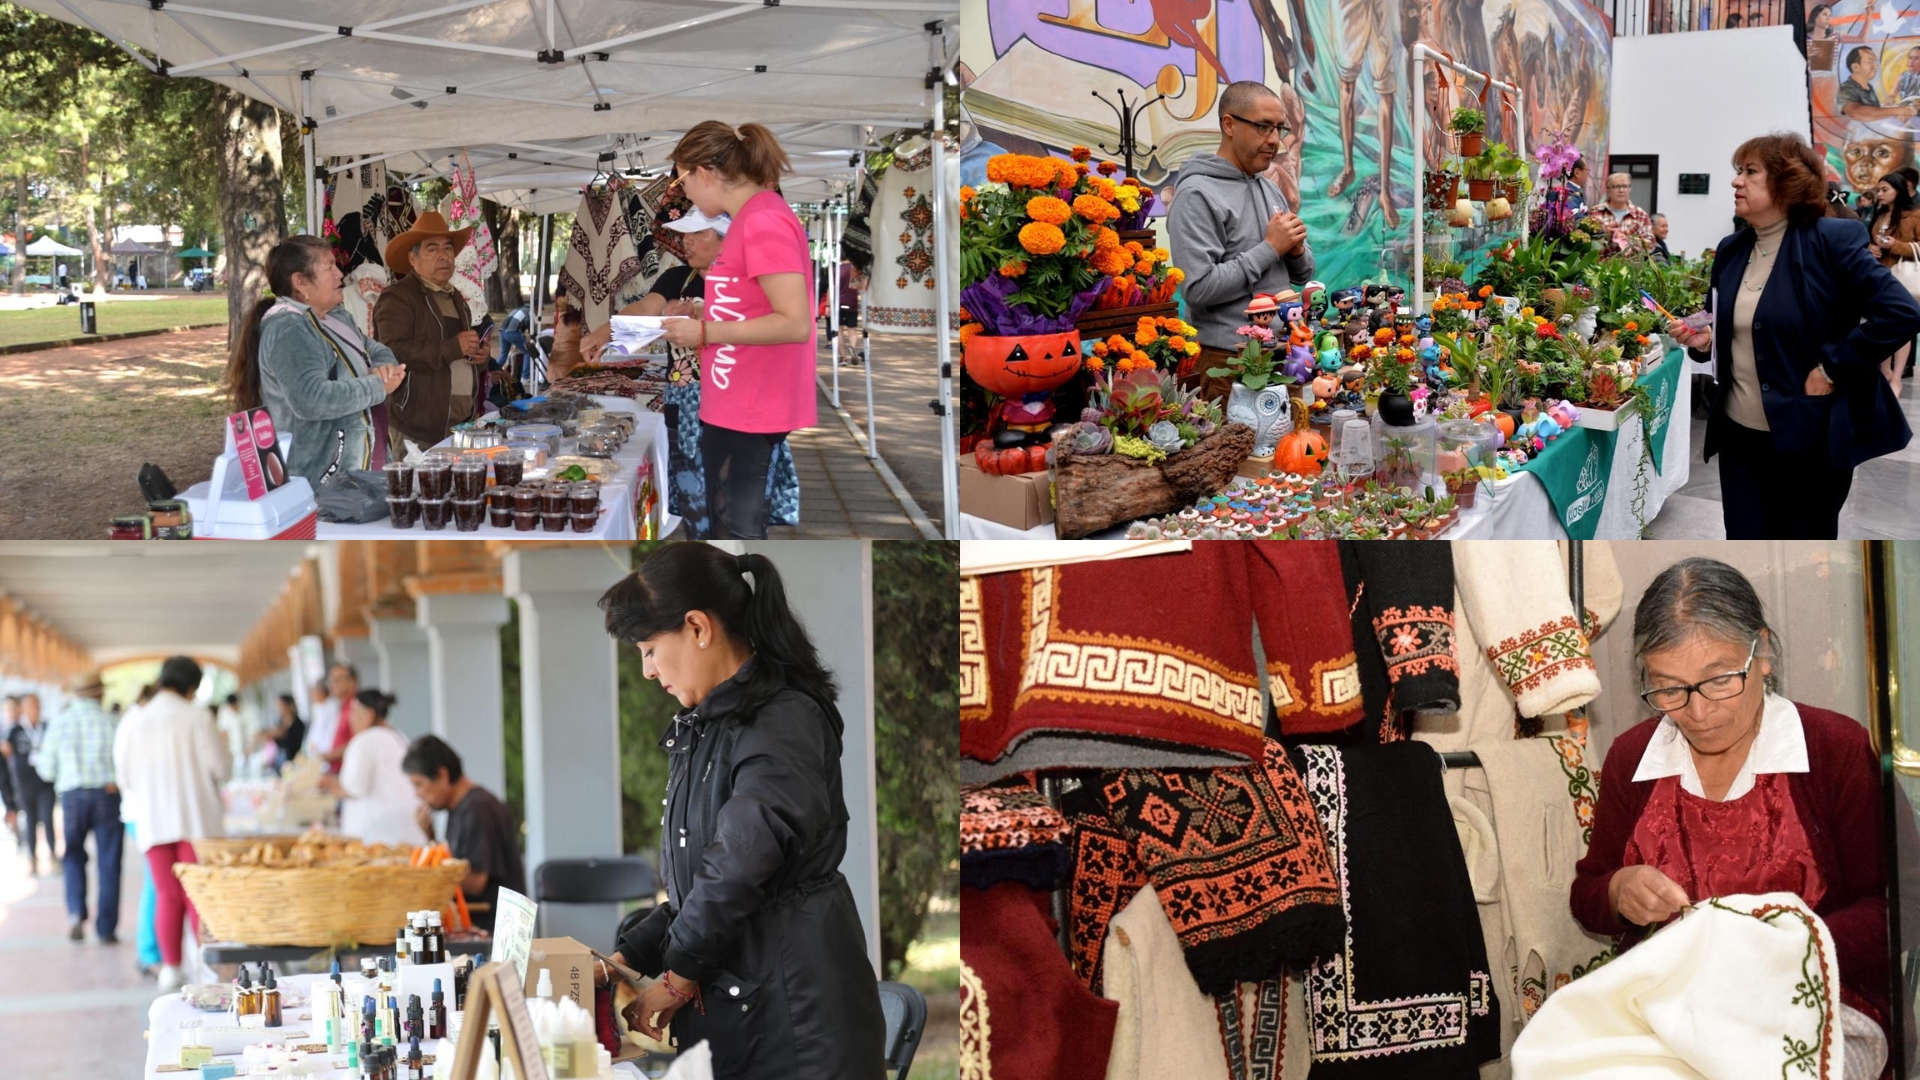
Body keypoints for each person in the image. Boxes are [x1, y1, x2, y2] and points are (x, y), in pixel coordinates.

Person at [1571, 558, 1889, 1076]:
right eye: (1669, 689)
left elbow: (1891, 907)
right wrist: (1618, 890)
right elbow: (1588, 895)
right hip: (1671, 1009)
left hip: (1817, 1005)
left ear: (1761, 653)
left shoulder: (1834, 748)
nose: (1698, 712)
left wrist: (1786, 953)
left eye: (1719, 680)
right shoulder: (1633, 759)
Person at [594, 546, 884, 1078]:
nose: (648, 671)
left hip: (796, 1019)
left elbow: (740, 865)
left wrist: (677, 978)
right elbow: (704, 875)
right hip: (746, 1009)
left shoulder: (781, 719)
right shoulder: (710, 723)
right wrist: (629, 956)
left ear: (698, 627)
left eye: (651, 649)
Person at [1665, 133, 1918, 538]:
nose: (1736, 182)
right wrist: (1707, 341)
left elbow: (1901, 313)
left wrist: (1832, 367)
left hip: (1808, 439)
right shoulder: (1731, 250)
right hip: (1740, 439)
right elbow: (1734, 326)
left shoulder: (1831, 240)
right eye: (1738, 172)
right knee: (1745, 543)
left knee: (1803, 547)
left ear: (1786, 182)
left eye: (1750, 172)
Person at [659, 121, 817, 541]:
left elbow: (794, 321)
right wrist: (703, 314)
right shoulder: (752, 217)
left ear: (705, 172)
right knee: (725, 521)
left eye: (682, 178)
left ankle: (748, 602)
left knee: (735, 526)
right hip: (737, 396)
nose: (683, 192)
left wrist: (706, 333)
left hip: (752, 399)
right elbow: (751, 303)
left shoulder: (763, 221)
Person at [583, 208, 730, 538]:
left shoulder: (743, 287)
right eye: (685, 234)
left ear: (726, 240)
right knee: (694, 501)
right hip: (683, 407)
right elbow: (645, 308)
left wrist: (701, 317)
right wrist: (609, 329)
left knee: (729, 500)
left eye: (698, 234)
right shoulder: (677, 279)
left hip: (731, 410)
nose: (686, 242)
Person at [1168, 81, 1315, 404]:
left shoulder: (1268, 188)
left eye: (1280, 128)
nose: (1275, 140)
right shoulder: (1197, 194)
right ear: (1229, 124)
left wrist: (1296, 250)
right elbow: (1197, 288)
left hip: (1283, 350)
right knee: (1240, 454)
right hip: (1230, 362)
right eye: (1263, 126)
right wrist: (1270, 248)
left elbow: (1302, 274)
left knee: (1288, 452)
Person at [224, 235, 407, 489]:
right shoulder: (289, 329)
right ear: (300, 282)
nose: (340, 274)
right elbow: (311, 399)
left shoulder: (336, 318)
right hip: (323, 485)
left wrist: (384, 367)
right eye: (329, 267)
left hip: (357, 475)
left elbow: (376, 350)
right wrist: (377, 386)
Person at [113, 656, 231, 992]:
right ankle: (207, 968)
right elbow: (221, 769)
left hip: (153, 819)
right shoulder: (197, 716)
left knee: (166, 893)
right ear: (191, 687)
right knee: (198, 894)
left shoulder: (136, 719)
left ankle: (170, 969)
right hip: (196, 820)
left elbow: (125, 776)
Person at [373, 210, 488, 460]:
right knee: (419, 494)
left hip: (461, 425)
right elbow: (392, 351)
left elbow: (458, 352)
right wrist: (452, 348)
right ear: (412, 259)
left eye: (448, 248)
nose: (444, 256)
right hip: (418, 427)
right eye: (432, 249)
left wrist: (478, 357)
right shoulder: (398, 297)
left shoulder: (456, 296)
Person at [402, 735, 524, 934]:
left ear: (442, 775)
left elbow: (475, 881)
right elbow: (456, 863)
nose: (417, 793)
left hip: (492, 932)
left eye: (419, 784)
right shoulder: (460, 807)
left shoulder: (477, 808)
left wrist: (423, 870)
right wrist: (430, 837)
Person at [37, 671, 122, 944]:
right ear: (99, 694)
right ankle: (105, 928)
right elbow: (125, 763)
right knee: (108, 862)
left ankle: (76, 914)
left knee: (73, 857)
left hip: (73, 797)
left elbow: (47, 771)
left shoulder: (60, 723)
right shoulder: (112, 722)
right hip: (107, 795)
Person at [318, 690, 426, 847]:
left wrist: (330, 784)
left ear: (369, 714)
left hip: (381, 840)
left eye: (354, 711)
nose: (350, 718)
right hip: (408, 833)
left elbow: (353, 788)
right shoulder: (399, 736)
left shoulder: (364, 740)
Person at [1864, 170, 1920, 394]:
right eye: (1878, 190)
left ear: (1899, 190)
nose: (1880, 194)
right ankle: (1885, 373)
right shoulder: (1880, 216)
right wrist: (1871, 249)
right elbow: (1871, 241)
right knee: (1882, 324)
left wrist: (1894, 245)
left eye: (1885, 190)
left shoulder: (1914, 215)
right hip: (1881, 277)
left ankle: (1896, 378)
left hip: (1902, 279)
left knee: (1901, 326)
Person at [8, 692, 57, 875]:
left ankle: (53, 856)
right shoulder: (15, 730)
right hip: (25, 783)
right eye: (29, 705)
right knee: (30, 820)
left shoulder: (47, 727)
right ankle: (32, 858)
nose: (34, 709)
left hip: (45, 782)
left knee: (47, 819)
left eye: (36, 705)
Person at [1839, 47, 1919, 124]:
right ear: (1855, 67)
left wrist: (1901, 111)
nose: (1876, 66)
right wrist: (1897, 109)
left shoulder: (1868, 88)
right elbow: (1856, 113)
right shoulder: (1846, 89)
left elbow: (1874, 113)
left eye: (1916, 58)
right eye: (1870, 62)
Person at [1589, 172, 1656, 257]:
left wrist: (1629, 240)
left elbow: (1651, 246)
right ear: (1608, 190)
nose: (1621, 190)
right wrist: (1604, 236)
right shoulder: (1595, 212)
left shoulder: (1640, 215)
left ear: (1629, 189)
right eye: (1616, 186)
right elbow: (1585, 242)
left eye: (1625, 186)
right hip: (1600, 267)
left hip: (1632, 268)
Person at [319, 663, 361, 774]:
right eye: (330, 681)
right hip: (337, 770)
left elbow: (358, 741)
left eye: (337, 680)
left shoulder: (358, 706)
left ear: (353, 682)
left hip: (350, 771)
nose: (332, 685)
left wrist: (327, 756)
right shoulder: (343, 705)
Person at [256, 693, 306, 774]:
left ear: (289, 705)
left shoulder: (298, 724)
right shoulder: (280, 722)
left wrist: (272, 733)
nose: (279, 708)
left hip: (294, 762)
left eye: (281, 705)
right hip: (280, 762)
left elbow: (283, 735)